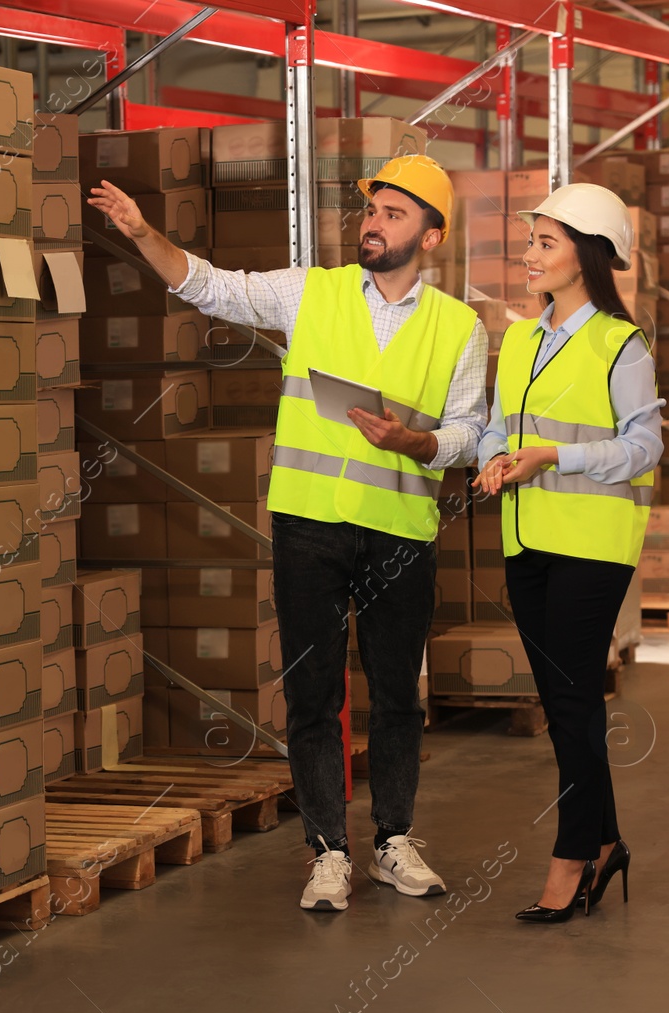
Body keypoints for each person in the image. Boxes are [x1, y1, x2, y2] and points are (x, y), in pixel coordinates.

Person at [90, 155, 488, 913]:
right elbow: (210, 284)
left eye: (395, 214)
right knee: (313, 693)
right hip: (308, 526)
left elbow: (471, 427)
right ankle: (328, 851)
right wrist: (144, 233)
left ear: (431, 237)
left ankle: (393, 840)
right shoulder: (315, 291)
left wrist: (417, 444)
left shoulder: (459, 328)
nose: (373, 223)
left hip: (401, 532)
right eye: (372, 211)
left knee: (399, 695)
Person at [472, 183, 663, 923]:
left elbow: (644, 447)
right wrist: (493, 457)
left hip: (592, 546)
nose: (530, 252)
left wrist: (555, 455)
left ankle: (573, 855)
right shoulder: (518, 337)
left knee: (576, 698)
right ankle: (609, 840)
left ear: (585, 255)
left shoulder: (622, 342)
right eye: (532, 240)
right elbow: (498, 422)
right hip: (526, 539)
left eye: (546, 242)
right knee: (561, 703)